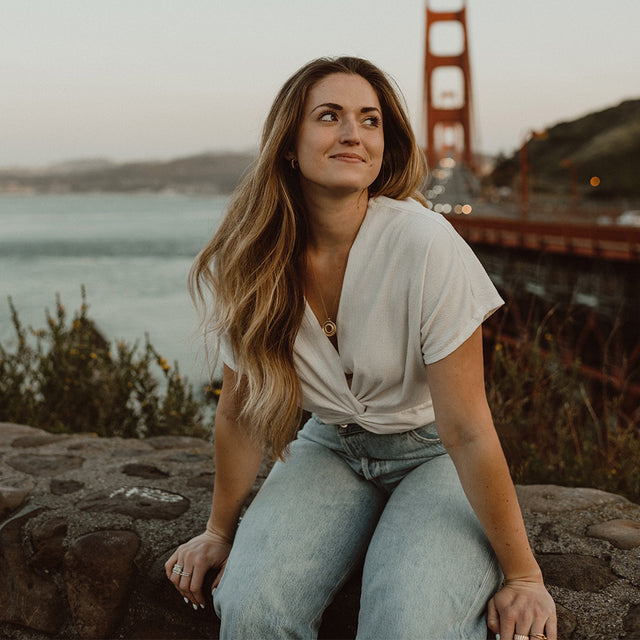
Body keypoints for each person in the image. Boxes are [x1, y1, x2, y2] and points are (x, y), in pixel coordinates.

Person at [165, 56, 556, 640]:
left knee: (408, 626)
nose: (353, 133)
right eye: (330, 116)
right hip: (330, 447)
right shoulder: (254, 260)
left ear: (382, 146)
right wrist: (219, 532)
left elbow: (468, 429)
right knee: (251, 609)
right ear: (290, 145)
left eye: (370, 121)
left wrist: (524, 576)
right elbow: (242, 412)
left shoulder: (424, 244)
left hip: (433, 455)